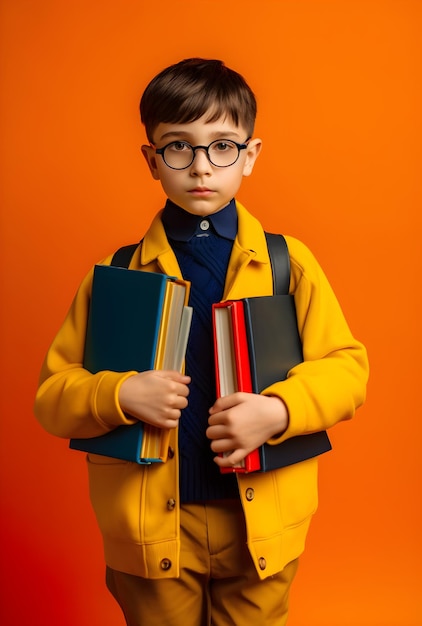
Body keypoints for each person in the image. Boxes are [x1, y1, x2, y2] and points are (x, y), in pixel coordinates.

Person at [34, 58, 369, 626]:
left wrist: (280, 409)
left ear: (251, 155)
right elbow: (53, 396)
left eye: (222, 146)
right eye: (178, 147)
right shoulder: (117, 276)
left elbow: (348, 368)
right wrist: (118, 395)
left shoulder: (289, 264)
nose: (200, 168)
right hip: (151, 530)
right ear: (151, 158)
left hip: (261, 525)